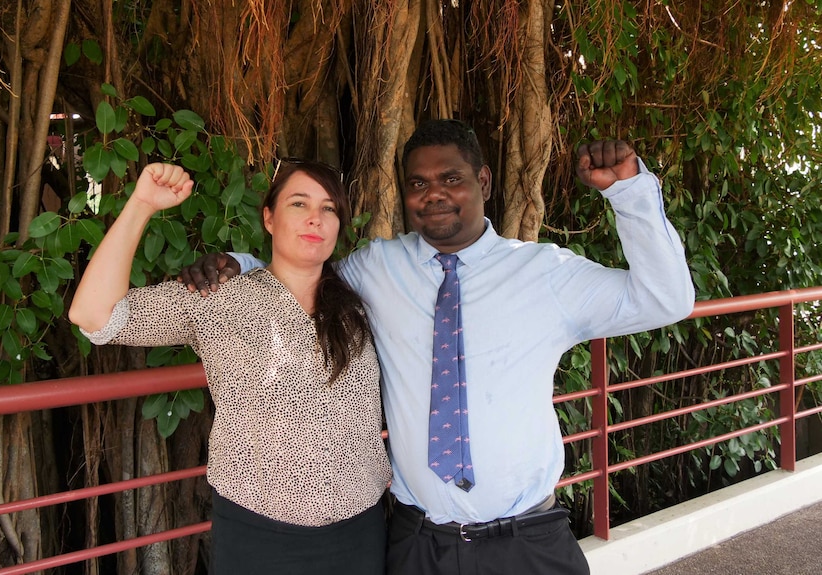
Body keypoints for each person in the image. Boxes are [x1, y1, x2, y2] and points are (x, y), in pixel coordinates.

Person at [179, 119, 696, 575]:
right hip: (418, 544)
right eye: (418, 183)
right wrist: (238, 266)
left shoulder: (544, 273)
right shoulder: (378, 269)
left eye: (452, 178)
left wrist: (629, 195)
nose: (434, 194)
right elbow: (302, 275)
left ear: (484, 182)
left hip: (526, 543)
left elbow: (665, 299)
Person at [69, 160, 391, 574]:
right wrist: (142, 204)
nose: (316, 218)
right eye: (299, 203)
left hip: (360, 529)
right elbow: (93, 315)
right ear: (269, 218)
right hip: (259, 532)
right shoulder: (218, 298)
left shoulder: (361, 300)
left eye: (329, 208)